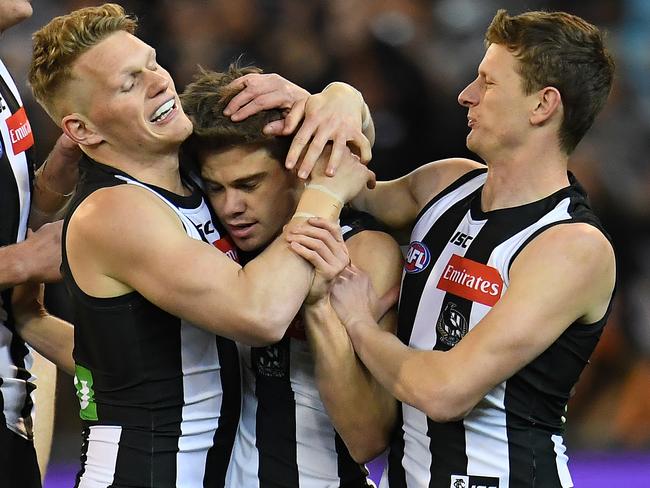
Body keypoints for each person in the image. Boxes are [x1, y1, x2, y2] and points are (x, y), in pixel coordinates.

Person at [27, 4, 373, 487]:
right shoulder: (115, 212)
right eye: (129, 84)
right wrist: (325, 192)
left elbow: (145, 360)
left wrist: (338, 98)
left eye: (151, 63)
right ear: (83, 130)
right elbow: (259, 313)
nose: (159, 83)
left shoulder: (192, 173)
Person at [326, 9, 617, 488]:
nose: (467, 94)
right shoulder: (446, 184)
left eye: (488, 82)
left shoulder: (572, 246)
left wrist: (357, 322)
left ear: (543, 105)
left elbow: (444, 392)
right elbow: (340, 181)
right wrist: (337, 98)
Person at [181, 65, 403, 487]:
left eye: (249, 184)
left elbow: (369, 437)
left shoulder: (362, 250)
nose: (231, 207)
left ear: (300, 169)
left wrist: (318, 309)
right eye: (216, 188)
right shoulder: (200, 234)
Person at [0, 1, 79, 486]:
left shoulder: (3, 74)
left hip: (14, 401)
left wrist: (56, 174)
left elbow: (12, 215)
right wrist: (28, 259)